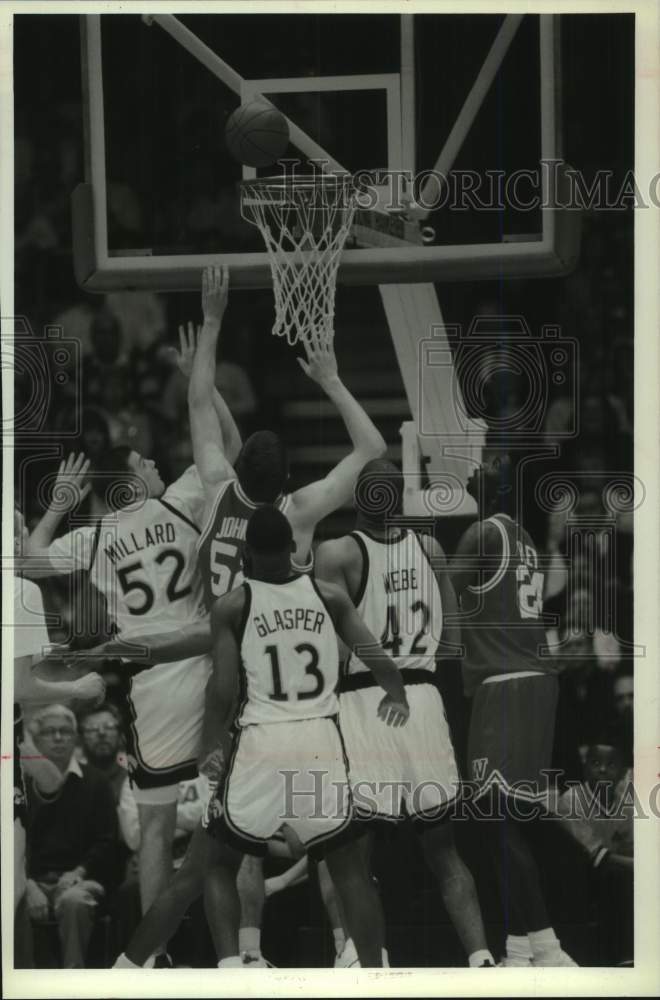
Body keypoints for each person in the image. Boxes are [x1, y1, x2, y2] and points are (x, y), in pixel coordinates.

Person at [92, 264, 387, 967]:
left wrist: (212, 324)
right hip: (299, 701)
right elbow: (373, 450)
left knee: (218, 851)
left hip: (222, 683)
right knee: (334, 842)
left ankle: (215, 958)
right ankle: (353, 953)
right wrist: (331, 377)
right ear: (286, 484)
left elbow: (198, 407)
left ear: (235, 469)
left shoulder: (216, 489)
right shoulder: (302, 513)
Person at [117, 505, 409, 969]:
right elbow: (376, 656)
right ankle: (376, 975)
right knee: (351, 870)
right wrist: (396, 695)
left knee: (206, 867)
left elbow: (223, 690)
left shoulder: (235, 604)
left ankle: (134, 969)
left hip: (261, 743)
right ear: (294, 547)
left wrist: (210, 744)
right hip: (319, 739)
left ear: (248, 554)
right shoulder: (329, 595)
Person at [19, 443, 209, 963]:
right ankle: (239, 949)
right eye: (144, 462)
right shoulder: (179, 501)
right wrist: (201, 370)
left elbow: (27, 559)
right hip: (209, 664)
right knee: (226, 816)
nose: (154, 464)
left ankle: (154, 955)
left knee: (155, 822)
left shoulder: (95, 537)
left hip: (153, 684)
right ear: (129, 481)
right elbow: (226, 449)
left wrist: (59, 505)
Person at [314, 458, 495, 968]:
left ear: (356, 499)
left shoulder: (337, 552)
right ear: (401, 500)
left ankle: (361, 954)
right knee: (444, 851)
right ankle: (481, 956)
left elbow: (329, 643)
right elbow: (453, 634)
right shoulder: (431, 548)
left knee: (352, 849)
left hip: (364, 699)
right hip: (424, 699)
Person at [450, 452, 576, 967]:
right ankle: (520, 949)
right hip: (531, 681)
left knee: (498, 822)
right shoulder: (521, 538)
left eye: (486, 468)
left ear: (494, 490)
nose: (475, 470)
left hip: (506, 684)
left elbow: (440, 592)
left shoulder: (482, 535)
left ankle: (548, 946)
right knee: (507, 820)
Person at [23, 704, 119, 968]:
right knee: (14, 900)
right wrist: (28, 885)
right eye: (49, 732)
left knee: (74, 902)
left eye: (65, 732)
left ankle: (70, 980)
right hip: (32, 881)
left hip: (83, 880)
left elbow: (108, 841)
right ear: (36, 740)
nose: (57, 738)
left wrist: (77, 872)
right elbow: (16, 844)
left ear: (75, 738)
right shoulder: (21, 785)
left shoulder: (96, 782)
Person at [554, 737, 633, 964]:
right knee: (615, 875)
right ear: (584, 767)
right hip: (581, 880)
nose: (602, 770)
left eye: (611, 764)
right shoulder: (570, 800)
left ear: (622, 771)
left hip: (618, 876)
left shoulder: (629, 802)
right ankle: (625, 956)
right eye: (595, 763)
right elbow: (599, 857)